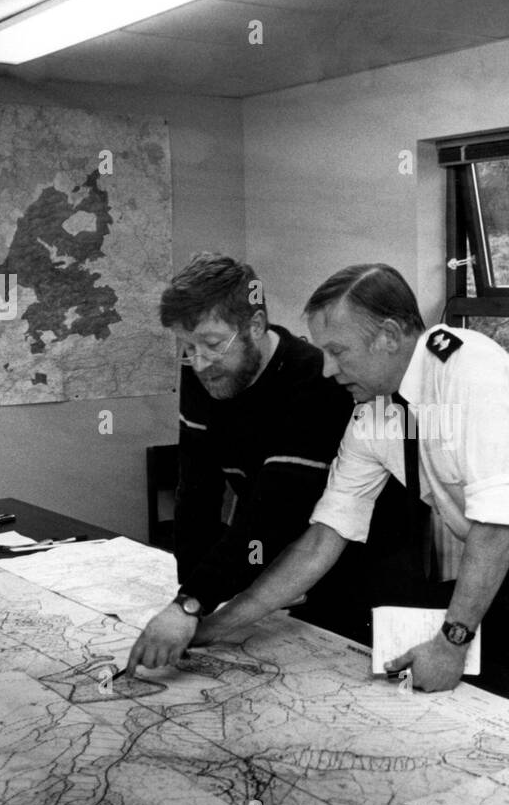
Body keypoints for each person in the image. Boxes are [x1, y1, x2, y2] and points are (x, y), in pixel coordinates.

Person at [190, 262, 509, 694]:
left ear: (387, 336)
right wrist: (213, 626)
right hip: (506, 552)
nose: (326, 369)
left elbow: (497, 524)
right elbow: (324, 538)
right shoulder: (373, 412)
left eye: (338, 351)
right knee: (487, 686)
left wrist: (451, 644)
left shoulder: (469, 370)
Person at [125, 253, 371, 672]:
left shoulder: (313, 380)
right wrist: (188, 600)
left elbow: (272, 513)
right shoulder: (203, 371)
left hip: (347, 574)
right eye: (187, 347)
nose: (200, 362)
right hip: (263, 569)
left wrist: (191, 605)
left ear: (255, 326)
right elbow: (196, 495)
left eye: (213, 343)